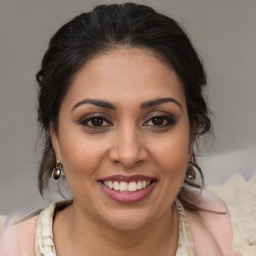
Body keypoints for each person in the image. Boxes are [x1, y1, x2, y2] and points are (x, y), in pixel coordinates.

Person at [0, 3, 244, 256]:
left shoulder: (244, 235)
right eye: (96, 121)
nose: (128, 154)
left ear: (191, 135)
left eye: (158, 120)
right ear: (56, 138)